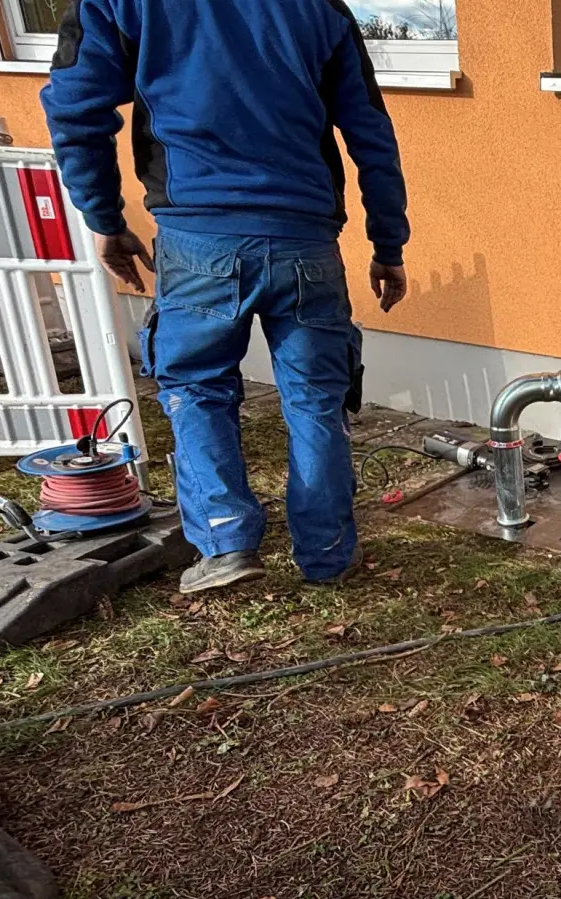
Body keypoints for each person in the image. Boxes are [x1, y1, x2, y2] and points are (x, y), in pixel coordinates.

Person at [40, 0, 409, 594]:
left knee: (196, 390)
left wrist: (103, 217)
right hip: (304, 239)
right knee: (317, 397)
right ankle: (328, 553)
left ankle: (225, 542)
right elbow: (370, 129)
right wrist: (388, 242)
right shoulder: (321, 9)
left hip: (198, 237)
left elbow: (75, 105)